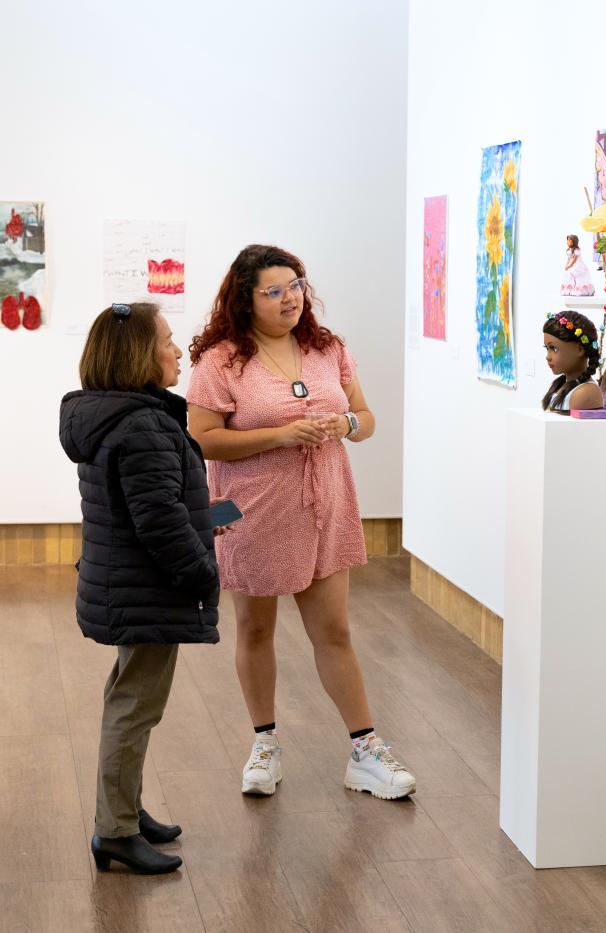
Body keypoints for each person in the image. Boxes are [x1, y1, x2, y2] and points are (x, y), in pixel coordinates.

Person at [187, 244, 416, 800]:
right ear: (246, 299)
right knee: (256, 629)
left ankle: (365, 750)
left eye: (295, 285)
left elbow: (367, 419)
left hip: (325, 504)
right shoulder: (221, 360)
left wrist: (344, 423)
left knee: (334, 631)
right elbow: (204, 438)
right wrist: (282, 435)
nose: (290, 298)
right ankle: (264, 745)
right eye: (274, 290)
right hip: (248, 510)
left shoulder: (325, 347)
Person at [59, 302, 224, 874]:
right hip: (149, 587)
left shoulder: (110, 415)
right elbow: (158, 522)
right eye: (169, 342)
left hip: (126, 583)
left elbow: (152, 507)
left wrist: (204, 516)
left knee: (129, 698)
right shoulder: (143, 424)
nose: (179, 352)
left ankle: (124, 809)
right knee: (135, 707)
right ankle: (116, 832)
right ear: (139, 355)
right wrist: (203, 570)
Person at [542, 310, 604, 412]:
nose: (548, 357)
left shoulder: (585, 393)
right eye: (546, 348)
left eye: (554, 348)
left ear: (579, 350)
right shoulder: (558, 385)